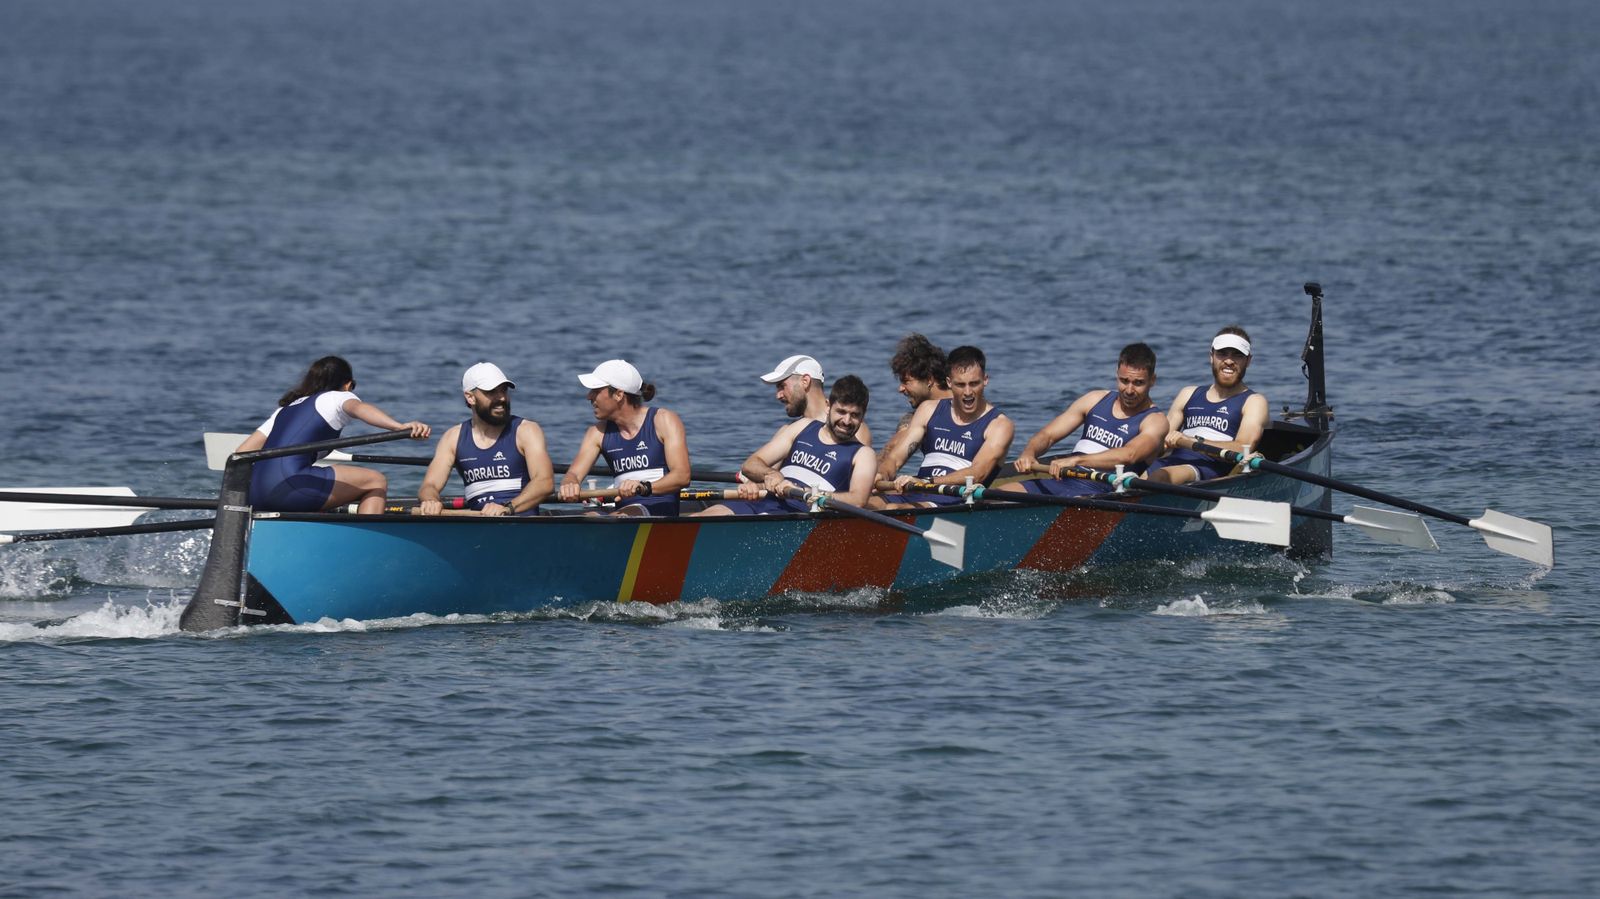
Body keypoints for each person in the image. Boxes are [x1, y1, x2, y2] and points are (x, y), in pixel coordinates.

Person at [238, 356, 430, 514]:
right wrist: (399, 427)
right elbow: (360, 409)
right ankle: (364, 547)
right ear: (347, 385)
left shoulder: (285, 409)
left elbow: (242, 452)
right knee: (375, 481)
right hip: (292, 486)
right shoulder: (339, 396)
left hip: (255, 494)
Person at [1001, 342, 1168, 497]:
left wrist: (1076, 460)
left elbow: (1130, 454)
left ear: (1152, 381)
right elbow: (1049, 435)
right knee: (997, 496)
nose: (1129, 390)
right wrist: (1029, 453)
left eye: (1138, 383)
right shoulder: (1094, 399)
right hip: (1062, 482)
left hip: (1102, 495)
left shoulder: (1155, 421)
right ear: (1117, 374)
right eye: (1124, 381)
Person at [695, 375, 876, 516]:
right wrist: (771, 475)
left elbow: (858, 500)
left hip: (798, 515)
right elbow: (751, 463)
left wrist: (813, 494)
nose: (846, 421)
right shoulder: (803, 427)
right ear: (828, 406)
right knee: (701, 517)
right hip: (763, 501)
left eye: (854, 415)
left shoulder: (863, 454)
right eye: (841, 412)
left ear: (863, 415)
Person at [874, 345, 1014, 507]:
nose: (968, 392)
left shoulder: (999, 425)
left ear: (985, 380)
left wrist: (926, 482)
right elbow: (895, 459)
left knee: (892, 508)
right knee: (863, 504)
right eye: (960, 385)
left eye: (974, 384)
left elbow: (978, 473)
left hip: (953, 501)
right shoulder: (928, 410)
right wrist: (882, 475)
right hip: (915, 491)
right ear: (949, 382)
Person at [417, 363, 554, 516]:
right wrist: (430, 500)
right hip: (478, 526)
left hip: (521, 524)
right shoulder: (453, 437)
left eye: (504, 390)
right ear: (470, 397)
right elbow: (429, 485)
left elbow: (545, 482)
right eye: (492, 392)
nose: (501, 398)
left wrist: (508, 508)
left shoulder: (526, 430)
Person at [558, 359, 691, 516]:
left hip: (660, 512)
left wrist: (644, 487)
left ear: (619, 394)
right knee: (589, 516)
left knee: (606, 518)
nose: (589, 397)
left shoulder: (663, 420)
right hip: (623, 513)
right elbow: (573, 474)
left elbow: (682, 476)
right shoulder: (597, 433)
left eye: (596, 391)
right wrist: (569, 484)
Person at [1145, 326, 1269, 485]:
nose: (1229, 361)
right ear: (1211, 356)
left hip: (1210, 469)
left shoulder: (1254, 401)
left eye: (1237, 355)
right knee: (1131, 476)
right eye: (1222, 354)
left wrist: (1191, 441)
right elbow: (1161, 443)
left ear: (1248, 361)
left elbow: (1242, 448)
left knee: (1160, 477)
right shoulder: (1188, 393)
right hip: (1170, 462)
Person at [759, 354, 873, 448]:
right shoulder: (787, 432)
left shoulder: (850, 428)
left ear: (805, 381)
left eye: (782, 386)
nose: (778, 395)